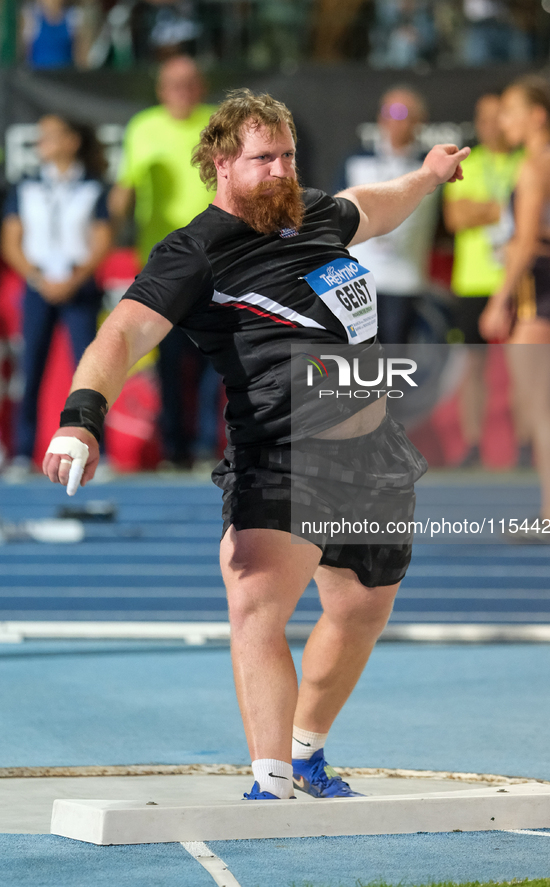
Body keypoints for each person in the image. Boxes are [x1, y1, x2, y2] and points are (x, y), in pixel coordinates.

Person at [43, 89, 469, 800]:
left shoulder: (315, 216)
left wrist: (425, 176)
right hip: (282, 453)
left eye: (288, 156)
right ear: (220, 164)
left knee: (362, 606)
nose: (280, 170)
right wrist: (81, 414)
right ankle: (268, 784)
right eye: (263, 158)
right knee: (257, 605)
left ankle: (305, 753)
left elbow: (377, 202)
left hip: (374, 455)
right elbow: (121, 335)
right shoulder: (194, 253)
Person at [479, 76, 550, 540]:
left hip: (536, 286)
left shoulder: (535, 165)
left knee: (541, 404)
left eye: (510, 110)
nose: (504, 121)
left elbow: (524, 242)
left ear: (536, 115)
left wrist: (500, 298)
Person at [109, 55, 220, 469]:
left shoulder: (218, 123)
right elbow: (126, 186)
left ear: (201, 86)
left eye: (189, 83)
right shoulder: (143, 127)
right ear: (160, 89)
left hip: (218, 256)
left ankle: (211, 446)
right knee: (171, 360)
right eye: (173, 84)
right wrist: (112, 213)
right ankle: (177, 449)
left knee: (217, 359)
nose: (182, 91)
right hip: (164, 263)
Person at [1, 114, 112, 479]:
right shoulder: (25, 185)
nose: (42, 143)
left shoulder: (94, 185)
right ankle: (22, 452)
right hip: (38, 289)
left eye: (50, 136)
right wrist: (37, 277)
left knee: (91, 372)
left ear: (71, 141)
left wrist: (75, 278)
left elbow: (101, 237)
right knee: (30, 369)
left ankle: (99, 450)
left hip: (80, 288)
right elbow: (11, 239)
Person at [443, 93, 523, 467]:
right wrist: (503, 209)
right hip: (473, 280)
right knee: (472, 367)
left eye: (498, 117)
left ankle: (526, 443)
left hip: (518, 279)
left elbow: (532, 217)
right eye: (484, 118)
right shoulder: (469, 163)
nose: (491, 126)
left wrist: (482, 209)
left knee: (525, 366)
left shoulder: (526, 162)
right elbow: (456, 217)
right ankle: (473, 444)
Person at [339, 86, 439, 344]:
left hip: (404, 280)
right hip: (358, 280)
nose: (392, 119)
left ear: (420, 120)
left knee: (393, 360)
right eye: (387, 111)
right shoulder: (355, 160)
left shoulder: (430, 168)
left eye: (401, 112)